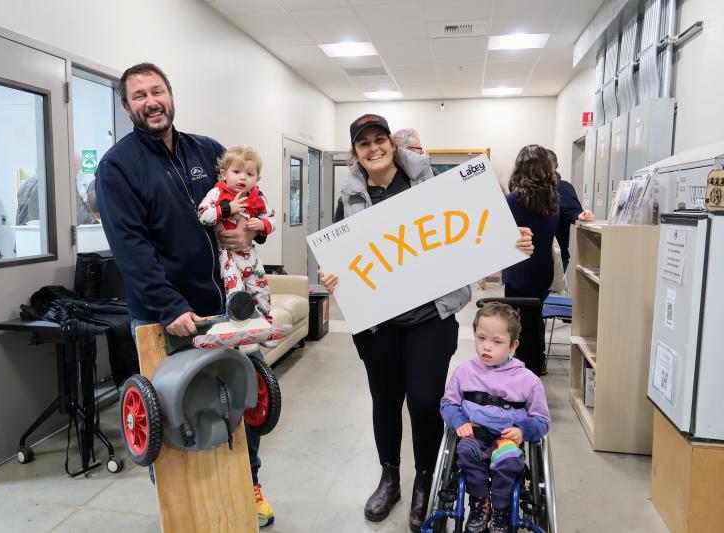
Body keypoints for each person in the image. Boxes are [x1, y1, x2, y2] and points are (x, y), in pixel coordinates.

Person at [318, 113, 534, 532]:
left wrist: (513, 238)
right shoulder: (349, 197)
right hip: (377, 322)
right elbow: (339, 254)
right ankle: (389, 477)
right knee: (384, 399)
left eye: (380, 139)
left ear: (393, 145)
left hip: (429, 317)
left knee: (422, 401)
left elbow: (475, 228)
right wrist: (332, 275)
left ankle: (424, 481)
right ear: (355, 154)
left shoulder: (432, 184)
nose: (374, 148)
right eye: (364, 144)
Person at [94, 63, 274, 527]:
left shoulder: (208, 150)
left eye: (157, 91)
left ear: (171, 95)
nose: (151, 101)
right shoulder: (118, 167)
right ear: (127, 106)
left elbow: (245, 201)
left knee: (236, 398)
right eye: (139, 96)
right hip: (165, 318)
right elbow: (130, 247)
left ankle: (247, 486)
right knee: (173, 414)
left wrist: (251, 233)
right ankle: (180, 510)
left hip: (224, 306)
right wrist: (169, 305)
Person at [440, 303, 550, 533]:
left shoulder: (528, 381)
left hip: (508, 439)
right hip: (475, 434)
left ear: (513, 345)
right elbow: (448, 403)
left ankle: (501, 508)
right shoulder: (465, 372)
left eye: (497, 342)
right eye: (481, 338)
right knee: (465, 451)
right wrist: (459, 422)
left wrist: (523, 430)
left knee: (509, 461)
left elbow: (542, 421)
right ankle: (480, 503)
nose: (486, 347)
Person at [198, 145, 275, 320]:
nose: (242, 177)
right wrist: (226, 209)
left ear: (257, 179)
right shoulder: (217, 193)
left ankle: (264, 324)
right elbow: (203, 215)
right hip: (227, 255)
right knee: (236, 292)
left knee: (261, 289)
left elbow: (271, 218)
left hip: (249, 252)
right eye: (237, 172)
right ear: (224, 174)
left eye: (249, 174)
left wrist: (262, 225)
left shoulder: (257, 197)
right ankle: (241, 327)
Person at [502, 145, 560, 375]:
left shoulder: (516, 200)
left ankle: (521, 372)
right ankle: (535, 366)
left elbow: (500, 234)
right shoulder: (554, 199)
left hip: (519, 272)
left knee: (517, 325)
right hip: (543, 271)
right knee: (534, 320)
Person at [546, 149, 593, 272]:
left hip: (553, 257)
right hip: (530, 255)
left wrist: (581, 215)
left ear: (553, 167)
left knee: (546, 291)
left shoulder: (560, 187)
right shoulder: (528, 189)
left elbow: (573, 211)